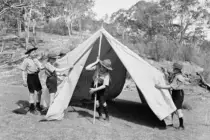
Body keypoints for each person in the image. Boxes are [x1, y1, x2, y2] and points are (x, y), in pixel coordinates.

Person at [155, 63, 190, 130]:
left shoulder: (179, 77)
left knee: (178, 110)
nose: (173, 69)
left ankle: (181, 126)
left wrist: (160, 87)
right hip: (175, 93)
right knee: (172, 108)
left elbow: (171, 86)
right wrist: (165, 72)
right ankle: (170, 124)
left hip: (178, 94)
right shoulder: (176, 75)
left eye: (174, 68)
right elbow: (169, 80)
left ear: (177, 69)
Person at [20, 47, 43, 114]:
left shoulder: (36, 59)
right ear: (29, 53)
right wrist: (24, 81)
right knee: (32, 93)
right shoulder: (26, 60)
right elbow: (23, 71)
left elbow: (41, 67)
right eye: (33, 52)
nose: (34, 53)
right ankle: (32, 108)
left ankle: (38, 105)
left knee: (40, 91)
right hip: (30, 77)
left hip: (36, 76)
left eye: (35, 52)